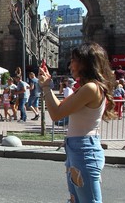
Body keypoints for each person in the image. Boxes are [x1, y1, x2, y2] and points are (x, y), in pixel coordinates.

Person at [39, 42, 116, 203]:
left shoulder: (91, 88)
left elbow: (56, 113)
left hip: (84, 150)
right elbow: (60, 108)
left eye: (74, 60)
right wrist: (47, 86)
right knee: (76, 200)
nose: (70, 65)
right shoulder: (87, 88)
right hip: (77, 149)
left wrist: (46, 88)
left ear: (86, 63)